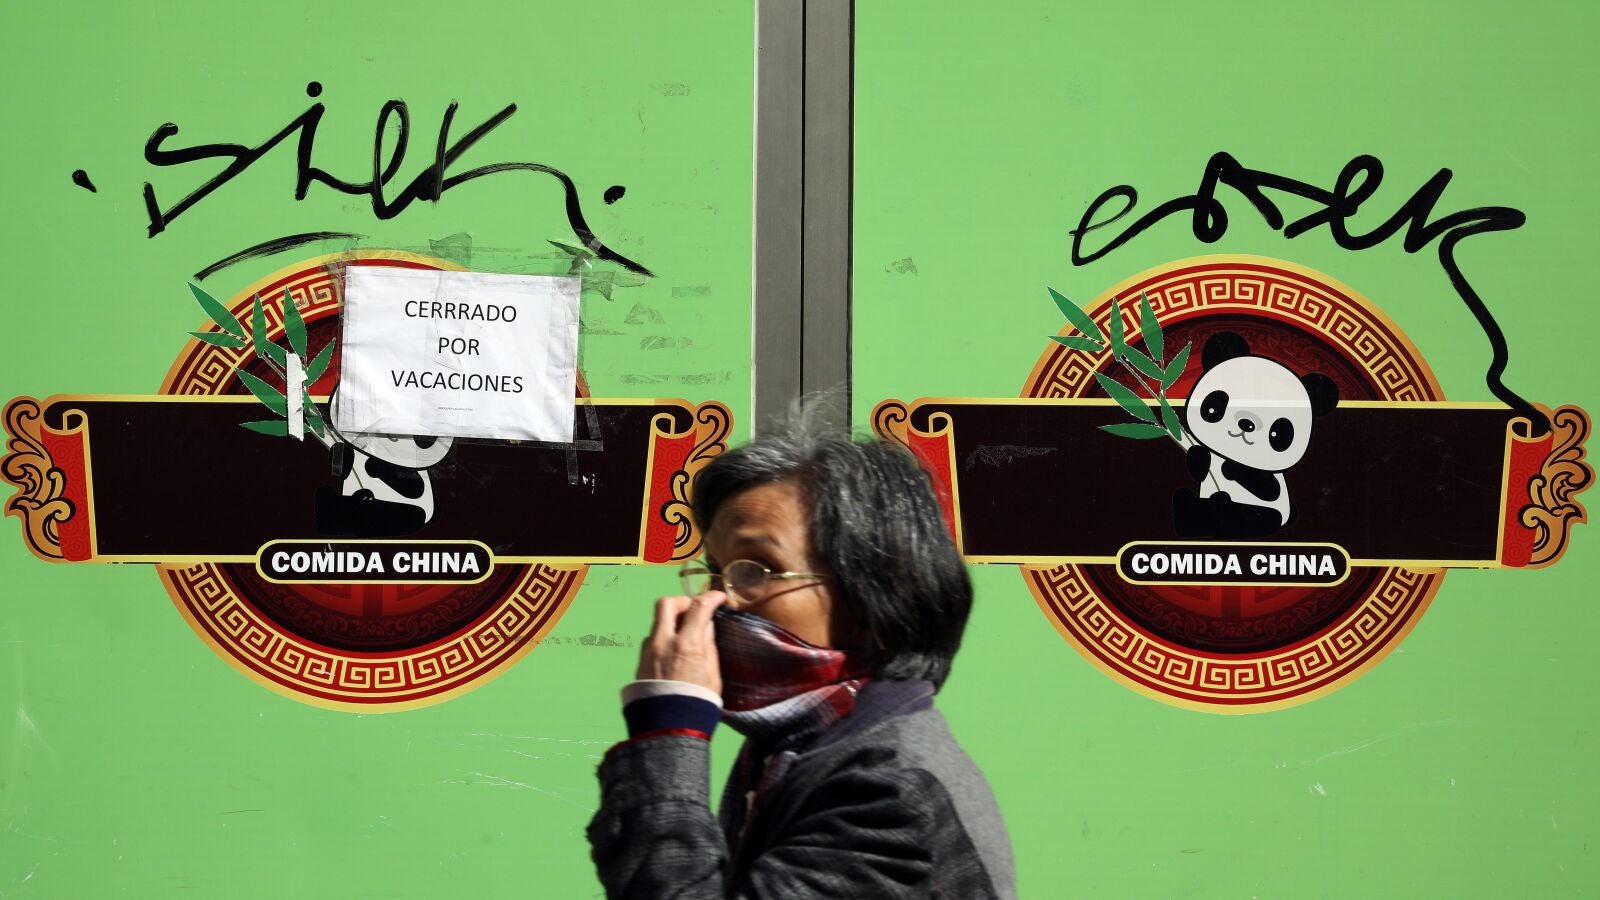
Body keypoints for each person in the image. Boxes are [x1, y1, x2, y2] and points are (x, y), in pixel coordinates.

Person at [588, 426, 1016, 898]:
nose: (717, 600)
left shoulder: (887, 791)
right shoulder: (793, 746)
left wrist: (669, 731)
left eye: (756, 570)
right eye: (714, 571)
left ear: (871, 603)